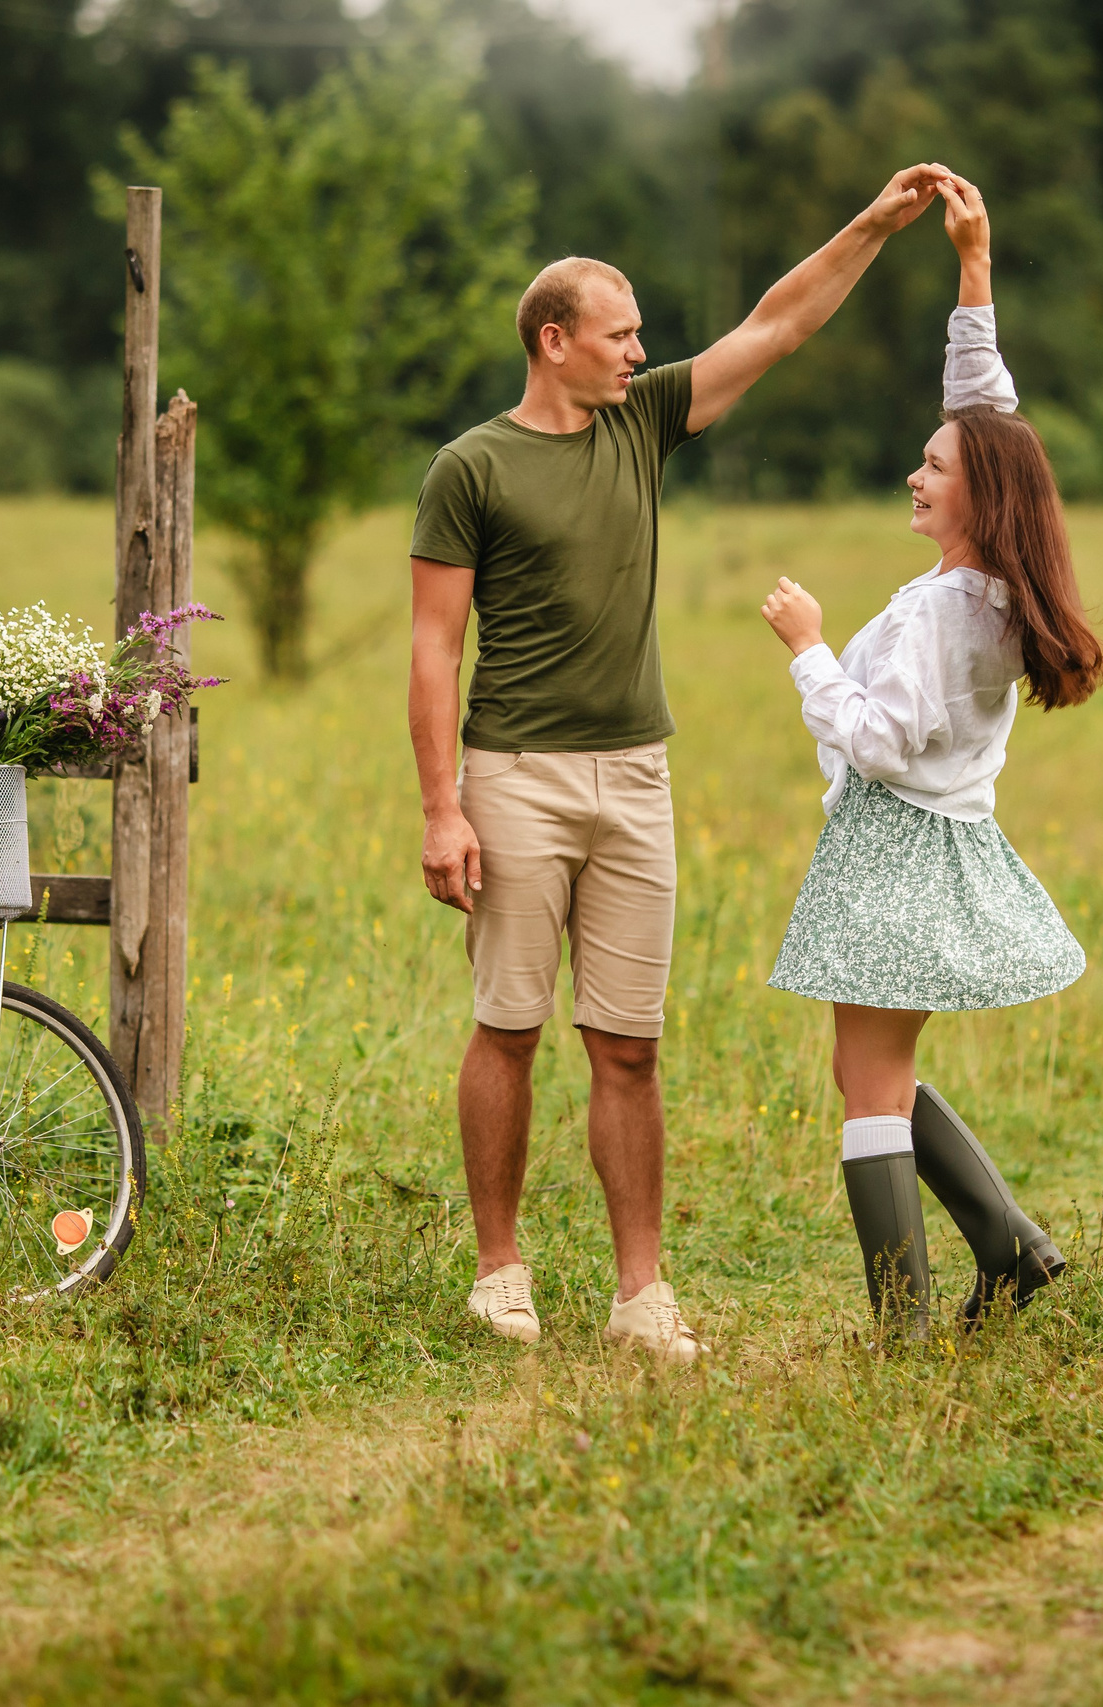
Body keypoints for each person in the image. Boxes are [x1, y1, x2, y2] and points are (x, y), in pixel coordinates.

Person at [409, 163, 958, 1363]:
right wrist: (443, 807)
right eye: (619, 335)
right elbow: (434, 646)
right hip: (514, 774)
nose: (638, 351)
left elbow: (778, 324)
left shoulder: (643, 420)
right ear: (554, 341)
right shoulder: (471, 468)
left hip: (636, 777)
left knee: (629, 1044)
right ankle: (500, 1271)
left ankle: (640, 1295)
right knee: (508, 1026)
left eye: (640, 335)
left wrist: (873, 223)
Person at [758, 174, 1103, 1339]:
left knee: (868, 1089)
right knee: (873, 1074)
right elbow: (984, 415)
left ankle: (904, 1323)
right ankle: (1011, 1250)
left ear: (979, 496)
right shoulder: (999, 586)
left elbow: (877, 741)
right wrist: (973, 267)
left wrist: (810, 650)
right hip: (941, 844)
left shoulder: (938, 615)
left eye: (932, 468)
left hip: (892, 848)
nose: (915, 475)